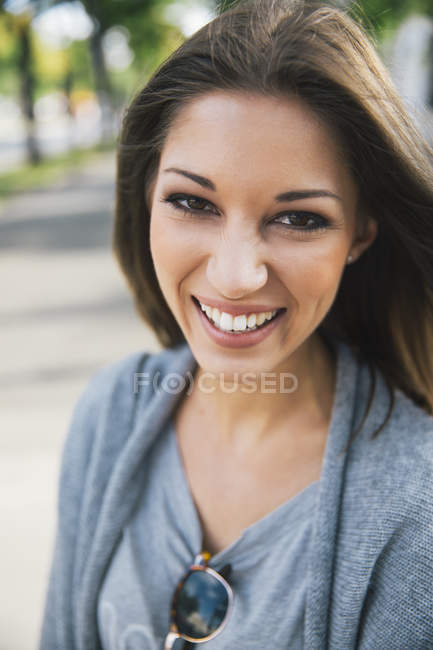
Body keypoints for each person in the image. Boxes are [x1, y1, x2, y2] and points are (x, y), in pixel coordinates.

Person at [39, 0, 433, 648]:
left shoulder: (414, 508)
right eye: (192, 202)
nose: (233, 275)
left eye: (299, 218)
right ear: (146, 199)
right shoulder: (110, 411)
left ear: (361, 230)